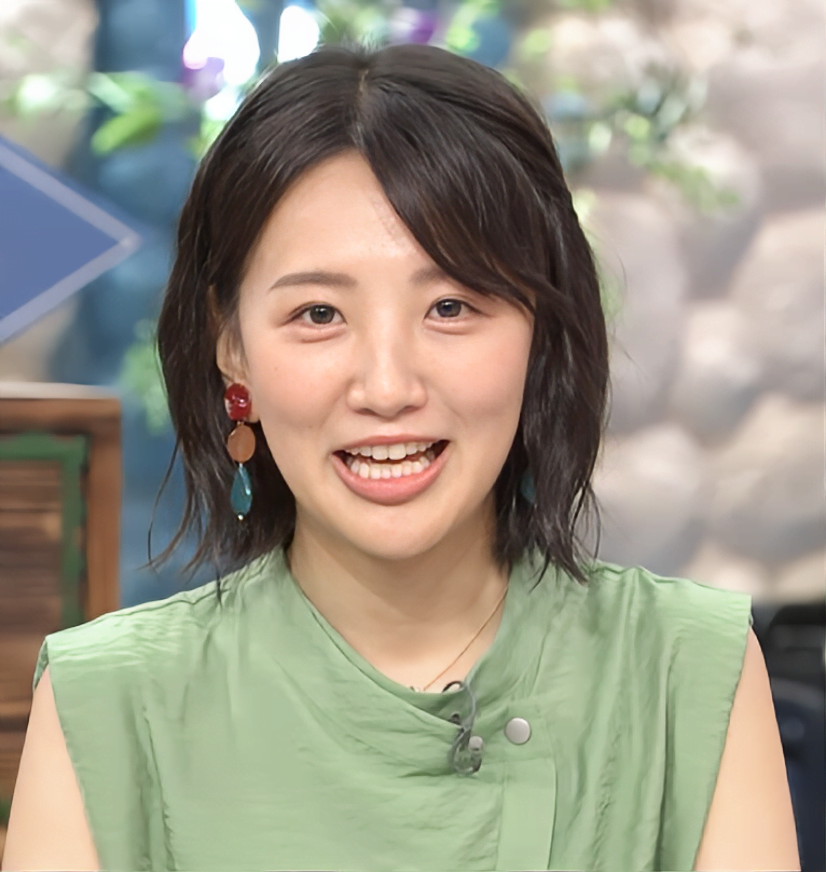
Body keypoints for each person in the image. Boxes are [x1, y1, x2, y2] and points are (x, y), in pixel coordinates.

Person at [3, 44, 799, 872]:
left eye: (451, 306)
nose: (387, 387)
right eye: (318, 314)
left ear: (540, 332)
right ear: (230, 348)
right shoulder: (106, 705)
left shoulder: (689, 673)